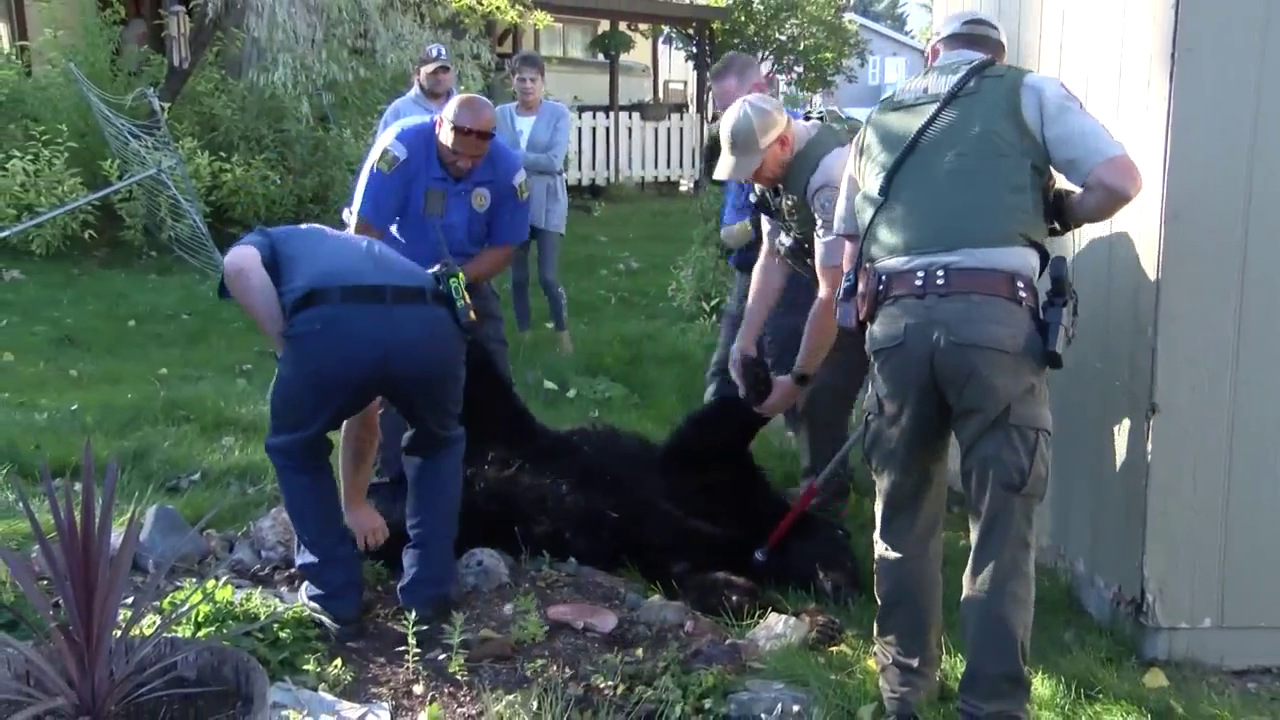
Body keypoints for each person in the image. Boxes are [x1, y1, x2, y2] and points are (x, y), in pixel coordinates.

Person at [832, 11, 1143, 719]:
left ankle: (903, 692)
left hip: (898, 328)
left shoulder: (879, 117)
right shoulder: (1027, 91)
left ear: (932, 53)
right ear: (996, 55)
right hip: (996, 326)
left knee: (901, 514)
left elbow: (842, 250)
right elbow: (1120, 181)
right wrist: (1059, 211)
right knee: (1001, 521)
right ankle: (994, 706)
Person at [217, 224, 469, 637]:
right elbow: (365, 415)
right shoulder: (361, 255)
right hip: (432, 319)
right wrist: (354, 504)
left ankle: (334, 596)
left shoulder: (269, 240)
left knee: (295, 447)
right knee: (438, 444)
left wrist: (288, 346)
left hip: (332, 323)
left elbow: (238, 265)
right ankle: (430, 599)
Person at [702, 53, 862, 512]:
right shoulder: (771, 170)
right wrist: (745, 341)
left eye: (755, 164)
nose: (751, 176)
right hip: (828, 276)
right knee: (812, 386)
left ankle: (825, 506)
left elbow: (832, 294)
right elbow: (773, 254)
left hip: (869, 287)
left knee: (823, 390)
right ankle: (819, 495)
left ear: (786, 142)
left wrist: (797, 379)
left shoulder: (831, 176)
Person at [348, 94, 530, 493]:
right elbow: (364, 233)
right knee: (394, 376)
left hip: (466, 278)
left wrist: (457, 282)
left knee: (493, 369)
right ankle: (392, 478)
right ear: (437, 128)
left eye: (474, 159)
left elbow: (505, 246)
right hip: (398, 278)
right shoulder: (400, 150)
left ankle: (500, 471)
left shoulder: (507, 168)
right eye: (454, 155)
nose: (464, 165)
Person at [496, 50, 574, 354]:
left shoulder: (557, 114)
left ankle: (562, 332)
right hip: (513, 203)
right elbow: (495, 158)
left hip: (549, 201)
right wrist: (523, 162)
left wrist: (514, 158)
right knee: (518, 276)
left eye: (533, 79)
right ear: (512, 82)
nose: (527, 85)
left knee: (548, 276)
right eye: (521, 79)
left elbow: (555, 161)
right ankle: (525, 334)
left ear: (543, 82)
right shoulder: (501, 114)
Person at [375, 42, 457, 138]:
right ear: (418, 72)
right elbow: (382, 150)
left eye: (444, 72)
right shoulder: (400, 110)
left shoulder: (464, 109)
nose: (440, 77)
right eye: (433, 72)